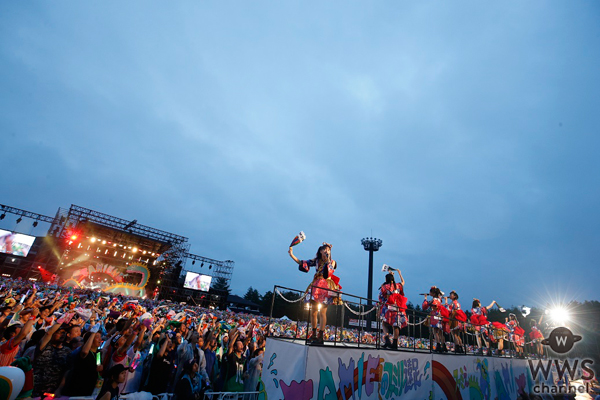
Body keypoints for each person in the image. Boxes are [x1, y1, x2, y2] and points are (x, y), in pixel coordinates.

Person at [288, 242, 341, 344]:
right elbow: (302, 262)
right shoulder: (316, 261)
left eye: (328, 250)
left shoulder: (332, 262)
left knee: (323, 312)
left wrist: (328, 258)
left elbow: (330, 269)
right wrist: (292, 255)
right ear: (320, 251)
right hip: (316, 285)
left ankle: (321, 334)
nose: (327, 251)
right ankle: (314, 333)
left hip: (326, 286)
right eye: (325, 250)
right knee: (313, 311)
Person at [378, 269, 407, 350]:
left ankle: (387, 340)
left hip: (388, 307)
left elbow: (381, 295)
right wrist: (399, 273)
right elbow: (403, 282)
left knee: (384, 323)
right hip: (398, 307)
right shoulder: (398, 285)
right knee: (396, 326)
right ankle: (394, 343)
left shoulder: (385, 286)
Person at [423, 286, 447, 353]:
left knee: (435, 331)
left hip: (434, 315)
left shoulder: (433, 300)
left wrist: (425, 298)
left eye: (430, 292)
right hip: (440, 315)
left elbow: (425, 306)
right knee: (440, 332)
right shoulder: (439, 299)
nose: (429, 293)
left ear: (433, 293)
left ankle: (438, 345)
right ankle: (443, 345)